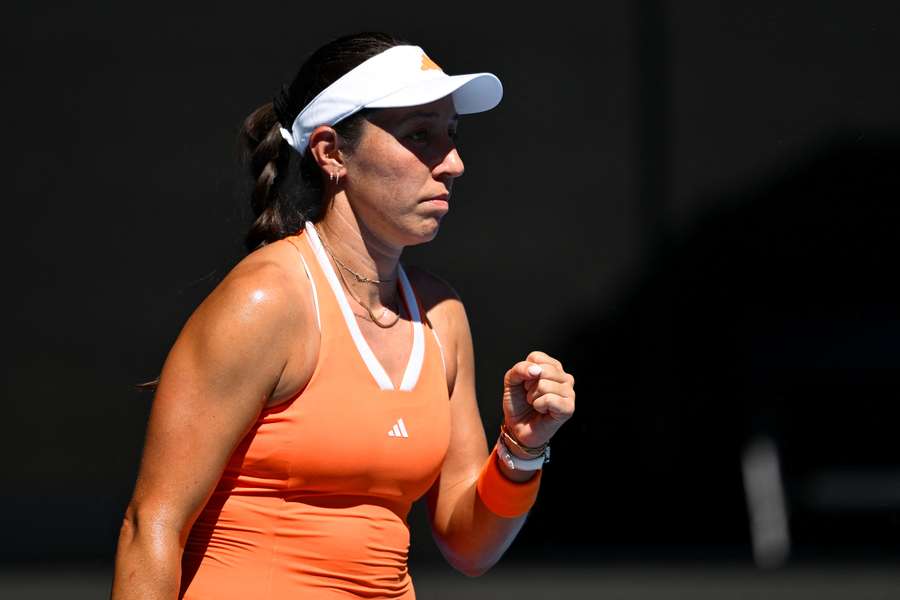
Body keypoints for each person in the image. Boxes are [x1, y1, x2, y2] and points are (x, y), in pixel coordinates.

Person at [111, 31, 575, 599]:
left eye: (451, 136)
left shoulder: (442, 316)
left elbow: (470, 545)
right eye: (420, 136)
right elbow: (150, 528)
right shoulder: (266, 302)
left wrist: (521, 450)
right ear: (331, 153)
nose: (453, 163)